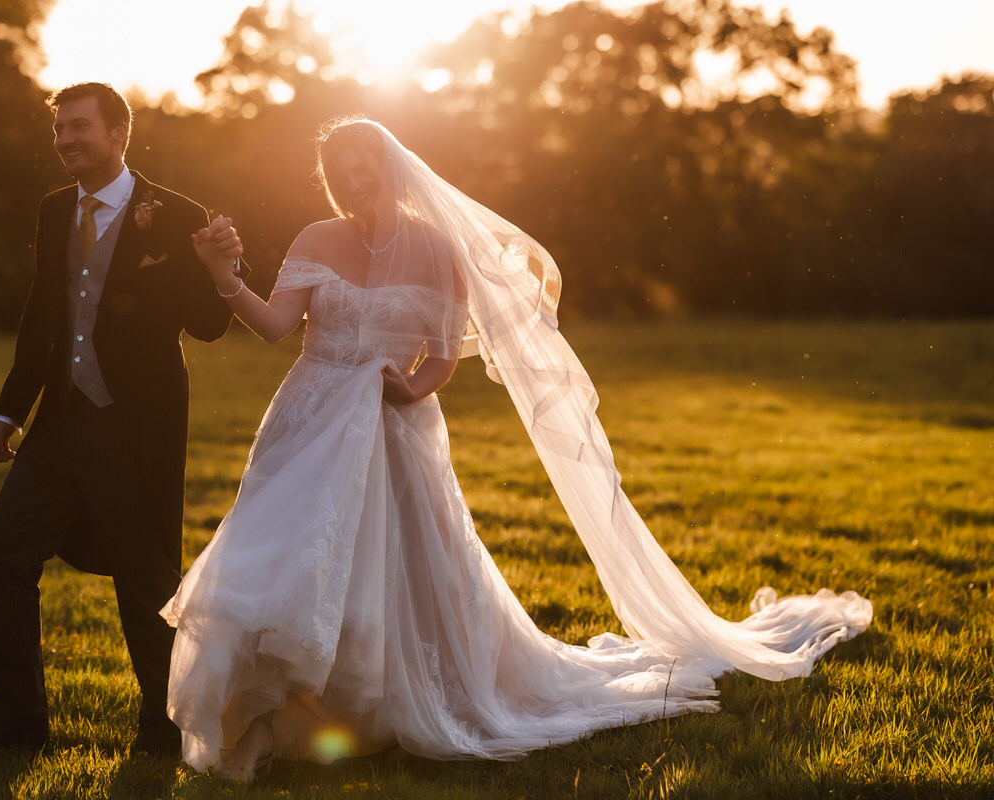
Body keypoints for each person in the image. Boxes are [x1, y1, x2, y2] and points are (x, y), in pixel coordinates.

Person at [165, 117, 872, 780]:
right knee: (278, 557)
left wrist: (408, 390)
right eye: (340, 171)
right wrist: (226, 278)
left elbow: (442, 357)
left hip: (392, 422)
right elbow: (273, 325)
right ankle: (259, 716)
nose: (354, 181)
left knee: (396, 565)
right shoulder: (315, 238)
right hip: (308, 418)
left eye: (365, 167)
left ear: (391, 168)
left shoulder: (439, 250)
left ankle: (356, 707)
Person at [0, 82, 245, 756]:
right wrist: (9, 408)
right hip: (60, 425)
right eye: (59, 130)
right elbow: (44, 315)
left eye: (79, 127)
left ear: (117, 134)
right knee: (2, 552)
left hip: (136, 430)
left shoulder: (176, 214)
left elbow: (213, 326)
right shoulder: (52, 212)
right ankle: (14, 722)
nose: (66, 140)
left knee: (144, 579)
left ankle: (164, 734)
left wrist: (223, 264)